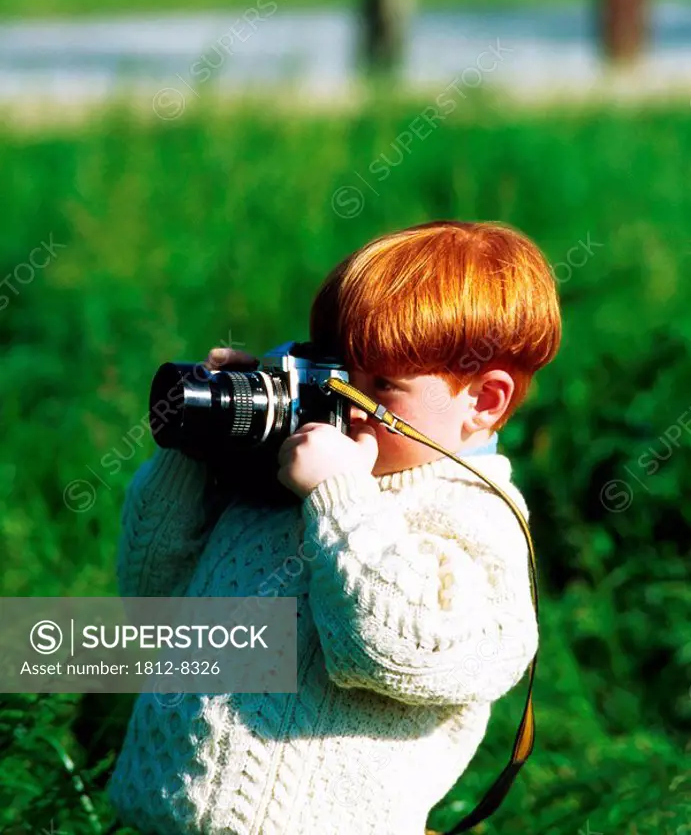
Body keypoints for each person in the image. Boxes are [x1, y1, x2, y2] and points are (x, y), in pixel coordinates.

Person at [107, 219, 562, 835]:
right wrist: (202, 446)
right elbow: (151, 593)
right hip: (157, 819)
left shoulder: (474, 518)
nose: (344, 402)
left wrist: (338, 498)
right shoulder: (285, 476)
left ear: (483, 401)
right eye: (334, 370)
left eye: (378, 387)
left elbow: (392, 649)